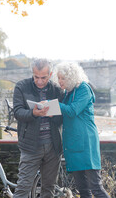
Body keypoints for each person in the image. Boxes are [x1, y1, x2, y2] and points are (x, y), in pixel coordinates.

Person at [53, 62, 110, 198]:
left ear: (72, 77)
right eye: (59, 78)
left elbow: (72, 111)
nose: (60, 81)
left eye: (63, 78)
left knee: (96, 187)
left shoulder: (84, 89)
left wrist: (54, 104)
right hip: (73, 144)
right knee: (82, 189)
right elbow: (65, 113)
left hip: (86, 143)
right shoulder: (68, 92)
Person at [13, 58, 64, 198]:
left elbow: (63, 118)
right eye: (36, 77)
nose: (40, 81)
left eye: (44, 77)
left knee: (49, 189)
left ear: (50, 74)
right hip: (30, 146)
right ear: (32, 73)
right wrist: (33, 113)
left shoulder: (57, 90)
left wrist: (54, 115)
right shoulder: (21, 87)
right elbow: (17, 112)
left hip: (53, 146)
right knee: (23, 188)